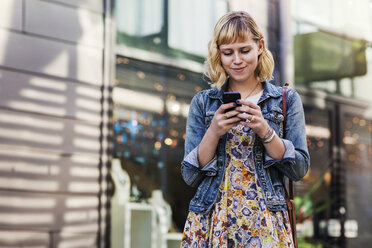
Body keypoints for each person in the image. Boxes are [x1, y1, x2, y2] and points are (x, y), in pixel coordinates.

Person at [180, 11, 309, 247]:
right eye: (228, 53)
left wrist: (266, 131)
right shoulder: (203, 103)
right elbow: (190, 177)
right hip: (213, 219)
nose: (236, 60)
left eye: (244, 50)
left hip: (265, 219)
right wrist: (214, 132)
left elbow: (299, 169)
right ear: (218, 54)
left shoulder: (286, 100)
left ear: (260, 46)